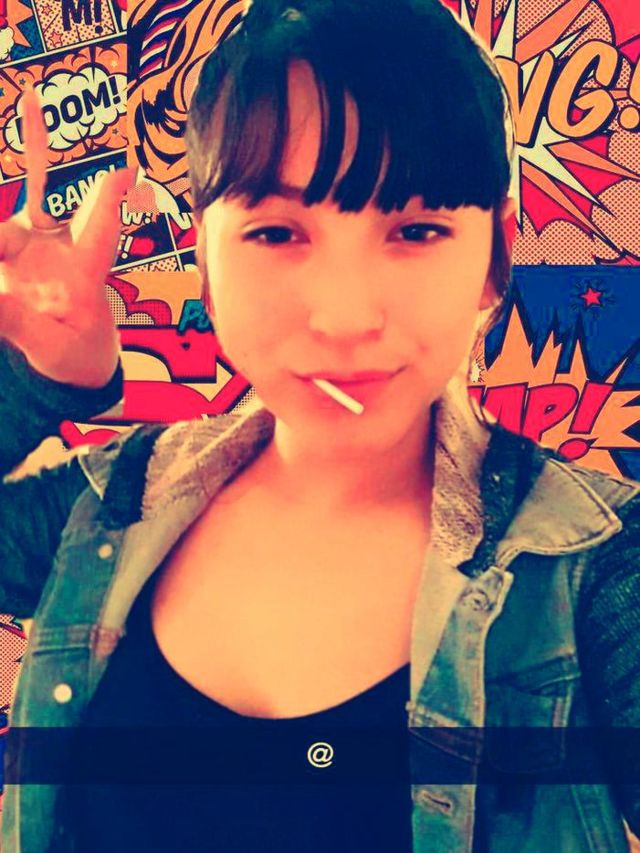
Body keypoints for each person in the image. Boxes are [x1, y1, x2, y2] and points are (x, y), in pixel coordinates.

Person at [1, 1, 640, 851]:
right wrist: (37, 384)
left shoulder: (595, 566)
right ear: (204, 259)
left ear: (495, 255)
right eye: (276, 232)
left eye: (416, 230)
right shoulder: (107, 505)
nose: (344, 318)